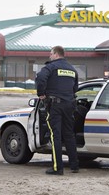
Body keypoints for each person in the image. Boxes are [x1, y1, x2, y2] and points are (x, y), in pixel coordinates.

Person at [35, 45, 79, 175]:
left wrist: (41, 93)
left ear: (56, 54)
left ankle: (57, 167)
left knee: (55, 135)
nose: (49, 56)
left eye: (50, 54)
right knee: (69, 135)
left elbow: (41, 78)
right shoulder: (72, 69)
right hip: (69, 105)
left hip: (55, 105)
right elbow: (75, 88)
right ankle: (74, 165)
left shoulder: (50, 67)